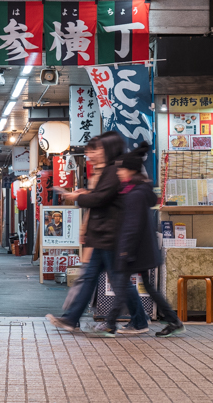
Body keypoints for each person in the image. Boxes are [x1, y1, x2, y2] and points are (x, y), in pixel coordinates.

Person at [46, 131, 146, 337]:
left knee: (118, 281)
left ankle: (139, 321)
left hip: (110, 235)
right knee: (92, 278)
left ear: (108, 148)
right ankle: (71, 319)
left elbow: (100, 199)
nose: (93, 153)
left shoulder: (112, 171)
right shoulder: (105, 171)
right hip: (102, 235)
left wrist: (77, 197)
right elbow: (100, 197)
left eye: (98, 149)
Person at [109, 143, 185, 337]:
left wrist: (124, 250)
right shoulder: (140, 190)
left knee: (122, 283)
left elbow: (131, 226)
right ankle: (174, 321)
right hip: (143, 248)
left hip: (135, 249)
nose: (119, 173)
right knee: (146, 287)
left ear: (131, 170)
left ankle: (109, 324)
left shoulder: (134, 194)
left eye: (121, 169)